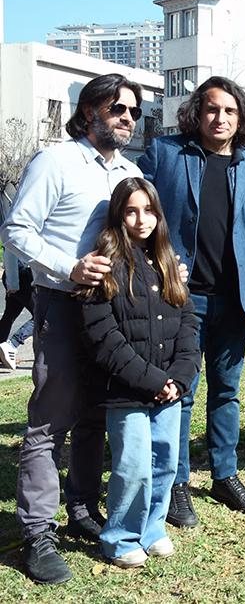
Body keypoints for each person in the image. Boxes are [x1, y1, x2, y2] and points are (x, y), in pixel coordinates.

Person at [0, 73, 145, 584]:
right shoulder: (55, 161)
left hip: (111, 311)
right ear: (88, 114)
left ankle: (82, 509)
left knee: (93, 416)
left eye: (133, 111)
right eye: (117, 108)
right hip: (61, 304)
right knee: (49, 422)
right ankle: (37, 531)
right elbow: (16, 229)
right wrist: (69, 267)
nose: (127, 117)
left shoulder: (130, 170)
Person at [139, 76, 245, 526]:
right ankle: (177, 482)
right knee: (180, 392)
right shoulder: (165, 154)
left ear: (240, 118)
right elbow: (133, 212)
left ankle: (224, 475)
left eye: (229, 111)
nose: (219, 118)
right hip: (179, 298)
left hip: (236, 300)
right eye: (211, 109)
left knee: (227, 391)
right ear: (196, 112)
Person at [77, 178, 200, 568]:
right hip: (126, 390)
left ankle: (152, 528)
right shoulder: (104, 266)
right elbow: (104, 338)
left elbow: (188, 324)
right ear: (117, 214)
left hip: (168, 389)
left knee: (164, 460)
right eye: (131, 210)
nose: (141, 218)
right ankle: (120, 536)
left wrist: (179, 378)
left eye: (148, 210)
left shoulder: (167, 262)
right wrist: (152, 380)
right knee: (132, 467)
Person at [0, 248, 35, 369]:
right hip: (21, 275)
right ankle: (12, 345)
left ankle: (1, 351)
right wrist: (13, 282)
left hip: (12, 274)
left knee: (9, 314)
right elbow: (11, 249)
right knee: (42, 316)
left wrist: (11, 281)